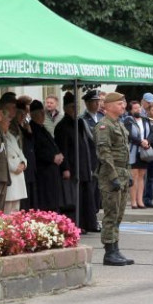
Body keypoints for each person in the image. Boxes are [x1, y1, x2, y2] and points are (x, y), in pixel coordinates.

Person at [94, 92, 133, 266]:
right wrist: (113, 176)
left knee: (119, 214)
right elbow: (105, 153)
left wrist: (128, 174)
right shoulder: (104, 126)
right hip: (111, 175)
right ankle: (109, 252)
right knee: (111, 214)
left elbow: (125, 153)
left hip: (122, 172)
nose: (123, 106)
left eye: (123, 103)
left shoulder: (119, 124)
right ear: (108, 106)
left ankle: (116, 249)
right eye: (119, 103)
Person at [54, 91, 100, 232]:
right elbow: (63, 149)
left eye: (76, 107)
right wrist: (65, 168)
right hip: (73, 167)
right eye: (72, 107)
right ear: (66, 108)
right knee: (76, 198)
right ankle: (78, 224)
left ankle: (89, 223)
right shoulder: (62, 126)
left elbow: (87, 144)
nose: (75, 110)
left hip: (84, 165)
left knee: (87, 197)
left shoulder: (79, 122)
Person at [124, 101, 153, 210]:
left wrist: (147, 141)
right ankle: (133, 202)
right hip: (133, 150)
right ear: (131, 110)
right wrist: (140, 141)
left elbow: (152, 132)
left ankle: (140, 200)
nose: (138, 110)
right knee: (134, 175)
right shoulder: (128, 120)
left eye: (138, 108)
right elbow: (129, 134)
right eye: (135, 108)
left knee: (142, 175)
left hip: (144, 151)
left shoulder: (146, 120)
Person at [3, 113, 28, 214]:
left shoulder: (11, 136)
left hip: (18, 175)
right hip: (10, 174)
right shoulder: (0, 136)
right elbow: (1, 157)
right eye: (7, 121)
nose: (9, 123)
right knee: (7, 209)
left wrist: (23, 163)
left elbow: (20, 152)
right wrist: (14, 167)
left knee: (16, 209)